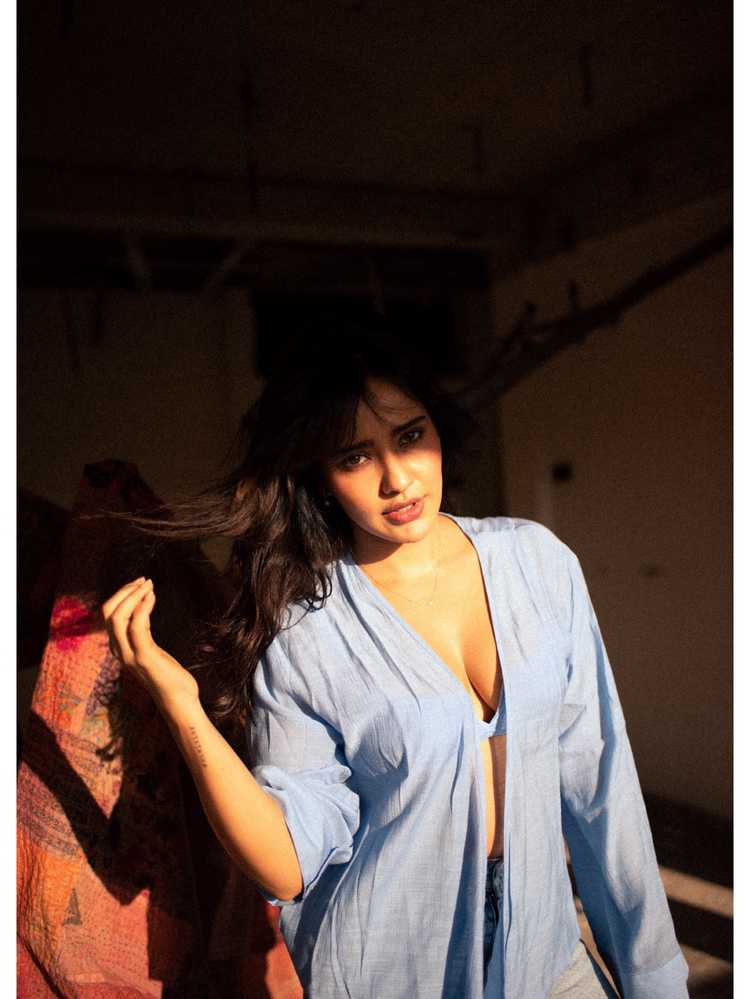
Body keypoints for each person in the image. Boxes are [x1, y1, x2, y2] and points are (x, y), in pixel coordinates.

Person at [101, 318, 689, 998]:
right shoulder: (305, 631)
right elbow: (287, 864)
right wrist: (182, 707)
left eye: (409, 436)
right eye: (355, 457)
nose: (397, 478)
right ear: (321, 476)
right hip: (392, 974)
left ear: (437, 427)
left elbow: (600, 785)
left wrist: (653, 980)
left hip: (545, 955)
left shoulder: (537, 563)